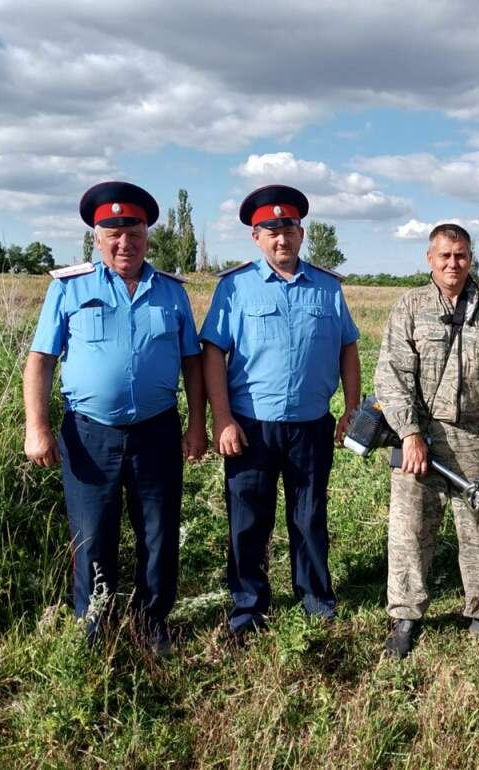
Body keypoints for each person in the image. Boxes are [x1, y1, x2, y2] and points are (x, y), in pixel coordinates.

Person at [23, 181, 206, 653]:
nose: (125, 243)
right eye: (114, 233)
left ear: (147, 236)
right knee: (92, 534)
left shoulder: (169, 292)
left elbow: (192, 362)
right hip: (89, 435)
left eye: (135, 232)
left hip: (157, 431)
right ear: (97, 238)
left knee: (159, 532)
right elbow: (41, 359)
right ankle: (94, 624)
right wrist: (37, 427)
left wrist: (197, 424)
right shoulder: (69, 288)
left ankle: (153, 624)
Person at [200, 184, 361, 637]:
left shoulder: (327, 288)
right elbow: (214, 353)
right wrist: (222, 418)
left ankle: (315, 598)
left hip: (311, 424)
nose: (281, 239)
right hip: (251, 425)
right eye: (270, 231)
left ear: (301, 232)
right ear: (256, 237)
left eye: (288, 229)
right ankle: (248, 607)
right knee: (248, 519)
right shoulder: (235, 288)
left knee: (309, 515)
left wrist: (352, 407)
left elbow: (348, 346)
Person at [374, 223, 479, 659]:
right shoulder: (409, 307)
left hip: (475, 437)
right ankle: (407, 616)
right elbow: (391, 377)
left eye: (461, 255)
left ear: (471, 259)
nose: (453, 263)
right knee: (410, 530)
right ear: (429, 259)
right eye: (444, 255)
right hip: (420, 436)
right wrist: (409, 433)